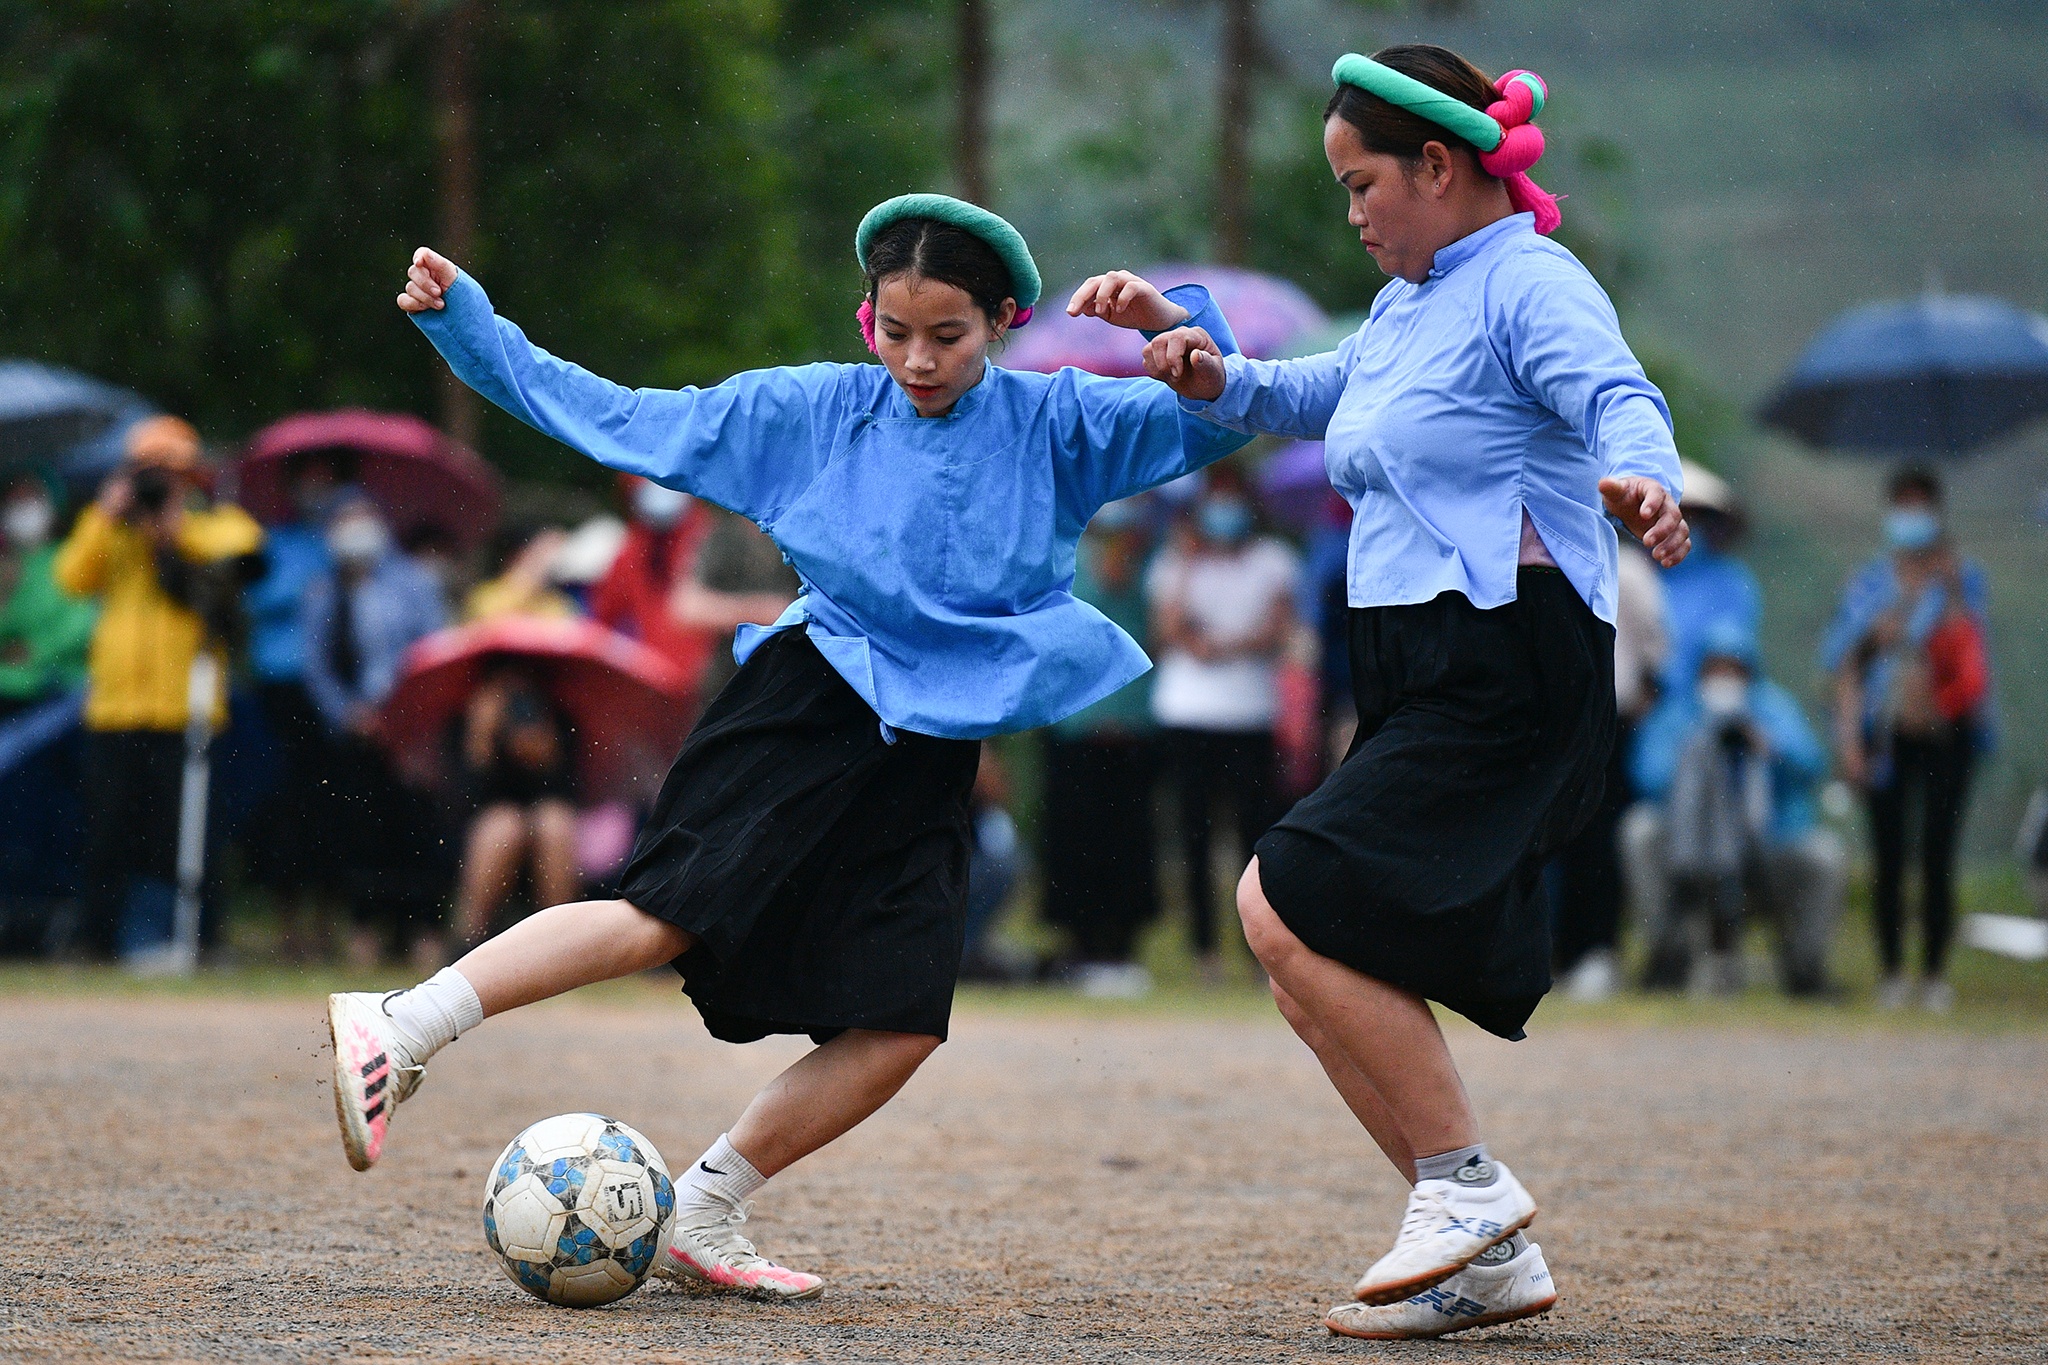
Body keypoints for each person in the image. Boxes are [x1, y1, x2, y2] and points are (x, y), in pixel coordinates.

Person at [325, 193, 1251, 1303]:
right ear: (866, 322)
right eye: (894, 331)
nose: (917, 359)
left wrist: (1168, 319)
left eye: (947, 336)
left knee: (901, 1021)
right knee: (662, 914)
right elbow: (616, 417)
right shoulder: (809, 414)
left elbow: (1219, 415)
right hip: (808, 700)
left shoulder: (1061, 425)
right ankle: (401, 1025)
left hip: (927, 748)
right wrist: (469, 327)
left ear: (1001, 321)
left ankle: (709, 1204)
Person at [1140, 46, 1688, 1339]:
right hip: (1418, 668)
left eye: (1362, 183)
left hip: (1505, 662)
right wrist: (1206, 372)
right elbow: (1313, 399)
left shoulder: (1529, 283)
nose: (1354, 213)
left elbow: (1616, 393)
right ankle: (1481, 1252)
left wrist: (1646, 476)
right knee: (1306, 955)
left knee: (1282, 895)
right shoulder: (1408, 304)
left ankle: (1464, 1190)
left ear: (1441, 166)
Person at [52, 416, 264, 961]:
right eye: (149, 472)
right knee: (107, 833)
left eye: (171, 472)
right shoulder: (113, 526)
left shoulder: (216, 521)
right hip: (116, 706)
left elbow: (244, 561)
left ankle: (205, 941)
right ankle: (95, 943)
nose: (160, 482)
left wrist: (175, 531)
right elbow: (71, 578)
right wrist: (107, 513)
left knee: (194, 833)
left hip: (185, 707)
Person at [1821, 466, 1992, 1013]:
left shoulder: (1963, 579)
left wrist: (1948, 586)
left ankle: (1935, 972)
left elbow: (1970, 650)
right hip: (1887, 734)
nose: (1910, 517)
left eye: (1920, 506)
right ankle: (1892, 970)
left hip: (1948, 731)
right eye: (1903, 505)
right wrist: (1849, 739)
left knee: (1939, 852)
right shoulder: (1870, 584)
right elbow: (1846, 663)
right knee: (1890, 853)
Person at [1624, 624, 1841, 996]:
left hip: (1770, 842)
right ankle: (1669, 955)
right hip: (1690, 845)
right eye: (1716, 669)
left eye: (1734, 670)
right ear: (1701, 672)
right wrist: (1700, 747)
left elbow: (1812, 764)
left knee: (1825, 856)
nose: (1725, 680)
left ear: (1751, 673)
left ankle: (1805, 970)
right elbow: (1646, 774)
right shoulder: (1681, 711)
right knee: (1639, 830)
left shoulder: (1773, 707)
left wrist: (1769, 747)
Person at [1146, 465, 1298, 981]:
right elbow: (1164, 631)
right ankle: (1203, 951)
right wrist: (1188, 562)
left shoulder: (1273, 561)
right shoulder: (1174, 564)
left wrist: (1224, 646)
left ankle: (1261, 950)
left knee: (1256, 836)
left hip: (1250, 715)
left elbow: (1280, 630)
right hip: (1188, 714)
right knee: (1194, 834)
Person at [301, 493, 453, 966]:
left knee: (419, 830)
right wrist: (348, 713)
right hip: (355, 735)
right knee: (361, 831)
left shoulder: (413, 584)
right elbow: (315, 665)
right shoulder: (325, 591)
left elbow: (435, 653)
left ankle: (425, 930)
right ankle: (365, 928)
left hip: (412, 731)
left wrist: (408, 717)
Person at [1039, 497, 1162, 997]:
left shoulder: (1153, 571)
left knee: (1130, 841)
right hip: (1074, 730)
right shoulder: (1061, 567)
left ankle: (1124, 947)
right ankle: (1081, 946)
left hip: (1134, 733)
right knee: (1075, 840)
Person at [1550, 537, 1667, 1001]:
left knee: (1598, 839)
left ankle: (1597, 950)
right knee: (1553, 839)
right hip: (1554, 721)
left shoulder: (1628, 567)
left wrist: (1640, 698)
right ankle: (1554, 951)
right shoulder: (1549, 551)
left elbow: (1657, 647)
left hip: (1607, 722)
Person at [240, 450, 346, 959]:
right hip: (281, 690)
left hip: (336, 694)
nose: (317, 490)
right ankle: (287, 927)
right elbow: (251, 601)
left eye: (327, 480)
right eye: (309, 481)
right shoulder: (271, 543)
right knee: (285, 805)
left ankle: (327, 926)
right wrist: (306, 590)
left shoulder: (348, 539)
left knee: (331, 809)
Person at [451, 660, 580, 947]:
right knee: (504, 824)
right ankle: (469, 939)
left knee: (553, 821)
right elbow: (458, 800)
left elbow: (570, 796)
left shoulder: (557, 721)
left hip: (546, 836)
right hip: (482, 838)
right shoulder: (464, 721)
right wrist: (480, 741)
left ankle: (559, 943)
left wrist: (545, 760)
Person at [590, 475, 719, 692]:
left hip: (716, 681)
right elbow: (602, 622)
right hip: (658, 685)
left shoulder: (713, 538)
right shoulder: (632, 551)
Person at [1656, 460, 1759, 695]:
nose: (1683, 524)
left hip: (1703, 698)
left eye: (1693, 517)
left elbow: (1732, 647)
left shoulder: (1731, 581)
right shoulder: (1635, 573)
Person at [0, 474, 97, 714]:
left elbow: (83, 623)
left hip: (65, 695)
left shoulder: (71, 556)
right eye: (15, 501)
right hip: (12, 690)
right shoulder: (10, 568)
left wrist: (36, 649)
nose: (22, 508)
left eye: (30, 498)